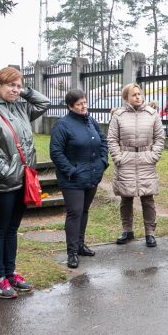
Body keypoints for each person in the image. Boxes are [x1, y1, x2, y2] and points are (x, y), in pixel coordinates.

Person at [0, 66, 51, 298]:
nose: (16, 90)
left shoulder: (18, 107)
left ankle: (10, 272)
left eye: (18, 86)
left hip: (22, 179)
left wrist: (24, 91)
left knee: (12, 229)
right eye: (11, 85)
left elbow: (44, 103)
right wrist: (5, 172)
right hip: (2, 182)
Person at [49, 89, 109, 269]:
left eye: (85, 102)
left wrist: (103, 161)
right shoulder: (63, 125)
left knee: (84, 211)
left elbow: (102, 141)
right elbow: (56, 152)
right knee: (75, 212)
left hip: (92, 174)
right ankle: (72, 252)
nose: (84, 107)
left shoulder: (91, 121)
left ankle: (81, 244)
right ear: (70, 106)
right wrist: (70, 170)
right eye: (79, 104)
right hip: (72, 178)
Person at [107, 83, 165, 247]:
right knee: (126, 198)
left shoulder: (152, 114)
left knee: (148, 198)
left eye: (139, 94)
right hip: (126, 160)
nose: (138, 97)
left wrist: (154, 155)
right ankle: (127, 230)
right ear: (126, 98)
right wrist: (118, 157)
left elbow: (160, 137)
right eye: (134, 95)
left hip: (146, 160)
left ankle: (150, 232)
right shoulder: (118, 116)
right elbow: (112, 139)